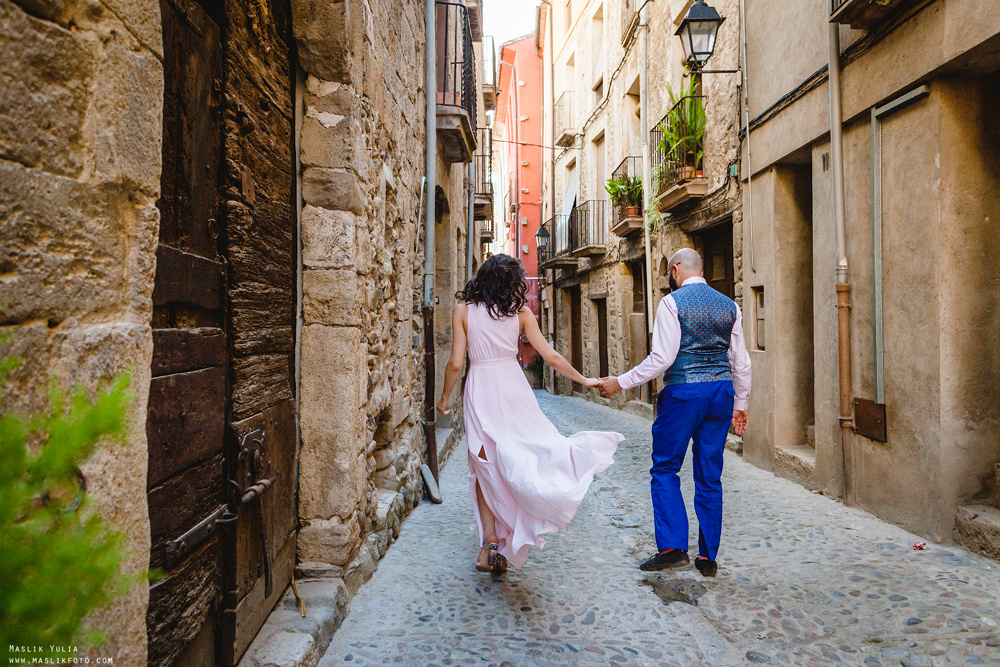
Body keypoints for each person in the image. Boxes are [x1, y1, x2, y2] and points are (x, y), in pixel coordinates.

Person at [436, 254, 624, 575]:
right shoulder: (520, 313)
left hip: (480, 388)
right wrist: (584, 379)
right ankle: (507, 531)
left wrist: (443, 399)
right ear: (513, 282)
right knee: (522, 451)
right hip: (513, 387)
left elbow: (455, 363)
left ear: (482, 278)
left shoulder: (463, 312)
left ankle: (491, 541)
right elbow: (549, 354)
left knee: (482, 463)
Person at [597, 248, 751, 577]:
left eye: (669, 273)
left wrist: (620, 382)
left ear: (677, 270)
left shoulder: (672, 303)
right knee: (710, 476)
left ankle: (672, 548)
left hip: (685, 392)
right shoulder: (730, 306)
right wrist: (741, 403)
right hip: (721, 393)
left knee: (665, 468)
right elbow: (741, 360)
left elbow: (663, 357)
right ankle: (708, 559)